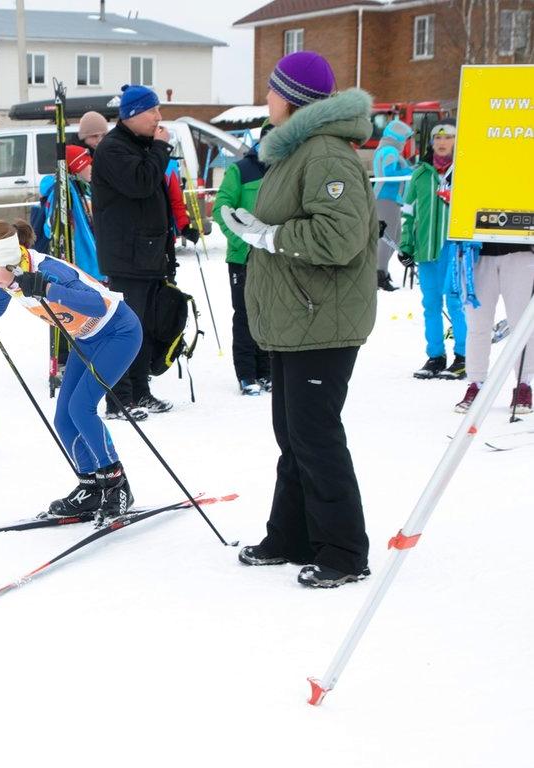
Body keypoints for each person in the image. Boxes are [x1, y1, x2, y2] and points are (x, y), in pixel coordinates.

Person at [220, 51, 377, 589]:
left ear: (293, 98)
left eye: (271, 91)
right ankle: (291, 536)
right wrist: (255, 225)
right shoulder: (296, 153)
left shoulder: (327, 155)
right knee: (293, 433)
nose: (266, 100)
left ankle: (344, 552)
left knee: (315, 435)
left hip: (322, 319)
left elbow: (339, 238)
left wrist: (270, 236)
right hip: (297, 318)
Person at [0, 220, 141, 522]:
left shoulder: (48, 270)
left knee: (82, 408)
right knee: (64, 418)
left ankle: (116, 483)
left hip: (118, 332)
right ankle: (91, 486)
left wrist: (47, 288)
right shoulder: (10, 275)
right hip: (85, 339)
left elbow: (98, 304)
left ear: (10, 261)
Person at [91, 84, 175, 419]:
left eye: (158, 110)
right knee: (125, 329)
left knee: (146, 328)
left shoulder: (140, 144)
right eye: (152, 111)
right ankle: (118, 400)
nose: (158, 118)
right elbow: (141, 182)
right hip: (127, 256)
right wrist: (160, 148)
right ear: (132, 115)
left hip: (149, 253)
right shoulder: (114, 149)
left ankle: (140, 392)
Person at [398, 118, 466, 380]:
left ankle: (463, 356)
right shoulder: (421, 174)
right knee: (431, 304)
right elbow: (408, 213)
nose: (441, 142)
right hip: (426, 249)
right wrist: (406, 246)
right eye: (437, 137)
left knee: (456, 300)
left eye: (448, 136)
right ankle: (436, 356)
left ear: (457, 141)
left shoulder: (465, 171)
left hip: (456, 248)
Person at [213, 122, 273, 395]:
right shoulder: (241, 169)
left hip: (275, 255)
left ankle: (268, 370)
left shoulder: (287, 169)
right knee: (246, 314)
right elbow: (221, 208)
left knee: (271, 314)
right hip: (243, 256)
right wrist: (243, 240)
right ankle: (247, 374)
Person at [452, 242, 534, 414]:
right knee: (477, 325)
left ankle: (523, 384)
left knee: (522, 325)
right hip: (477, 253)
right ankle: (476, 384)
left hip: (520, 250)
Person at [30, 144, 100, 280]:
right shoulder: (64, 190)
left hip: (88, 259)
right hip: (80, 259)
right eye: (86, 164)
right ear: (76, 168)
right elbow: (50, 226)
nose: (91, 168)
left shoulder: (82, 187)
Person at [371, 117, 414, 291]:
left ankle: (380, 272)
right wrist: (411, 170)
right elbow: (390, 173)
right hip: (386, 199)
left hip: (389, 200)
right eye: (406, 138)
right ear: (399, 137)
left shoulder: (387, 150)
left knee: (394, 238)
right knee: (387, 238)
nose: (406, 142)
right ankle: (379, 275)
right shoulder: (389, 151)